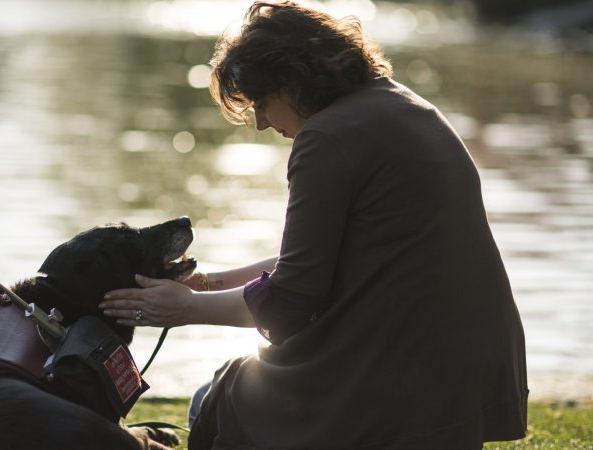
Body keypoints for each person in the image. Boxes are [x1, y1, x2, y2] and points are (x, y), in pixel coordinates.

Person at [100, 1, 528, 448]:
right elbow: (321, 258)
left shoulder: (326, 138)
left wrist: (182, 309)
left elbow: (291, 299)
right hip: (467, 376)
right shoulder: (402, 104)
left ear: (295, 80)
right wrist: (204, 285)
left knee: (215, 399)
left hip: (403, 380)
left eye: (262, 103)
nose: (262, 123)